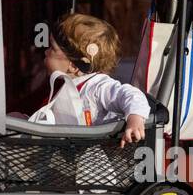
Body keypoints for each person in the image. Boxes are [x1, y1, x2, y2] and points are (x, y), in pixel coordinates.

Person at [29, 14, 150, 147]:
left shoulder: (97, 86)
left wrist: (135, 118)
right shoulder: (60, 85)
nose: (46, 51)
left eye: (52, 48)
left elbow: (131, 94)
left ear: (74, 66)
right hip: (61, 155)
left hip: (88, 162)